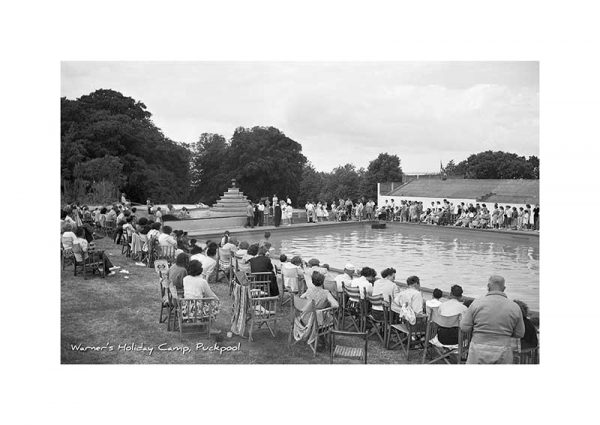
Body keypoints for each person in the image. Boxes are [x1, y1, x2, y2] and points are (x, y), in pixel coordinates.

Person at [460, 275, 525, 364]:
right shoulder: (514, 307)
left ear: (488, 286)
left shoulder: (476, 303)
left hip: (478, 348)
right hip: (503, 348)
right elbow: (520, 333)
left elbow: (464, 327)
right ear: (504, 288)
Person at [182, 260, 220, 334]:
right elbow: (210, 294)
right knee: (215, 303)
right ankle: (210, 327)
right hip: (197, 310)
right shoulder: (202, 281)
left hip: (186, 307)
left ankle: (198, 321)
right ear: (200, 270)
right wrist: (217, 299)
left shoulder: (185, 279)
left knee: (202, 301)